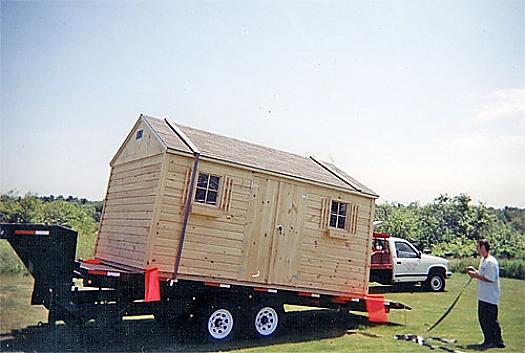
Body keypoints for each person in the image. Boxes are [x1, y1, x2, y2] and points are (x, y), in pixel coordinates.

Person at [467, 239, 505, 349]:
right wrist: (475, 271)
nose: (476, 248)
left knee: (491, 320)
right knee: (483, 319)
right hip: (483, 296)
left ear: (483, 247)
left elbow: (490, 278)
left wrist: (475, 276)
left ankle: (496, 341)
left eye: (478, 246)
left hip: (490, 297)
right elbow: (483, 274)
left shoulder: (491, 262)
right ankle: (489, 340)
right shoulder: (483, 260)